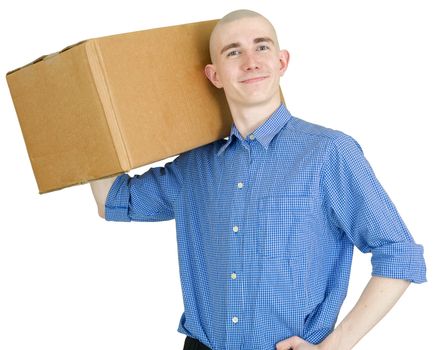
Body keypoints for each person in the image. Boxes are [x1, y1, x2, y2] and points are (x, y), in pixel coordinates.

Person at [90, 9, 426, 350]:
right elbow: (113, 201)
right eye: (233, 52)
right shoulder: (194, 167)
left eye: (261, 47)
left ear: (282, 62)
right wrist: (88, 109)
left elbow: (400, 255)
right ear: (215, 75)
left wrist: (335, 345)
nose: (250, 62)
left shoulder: (328, 153)